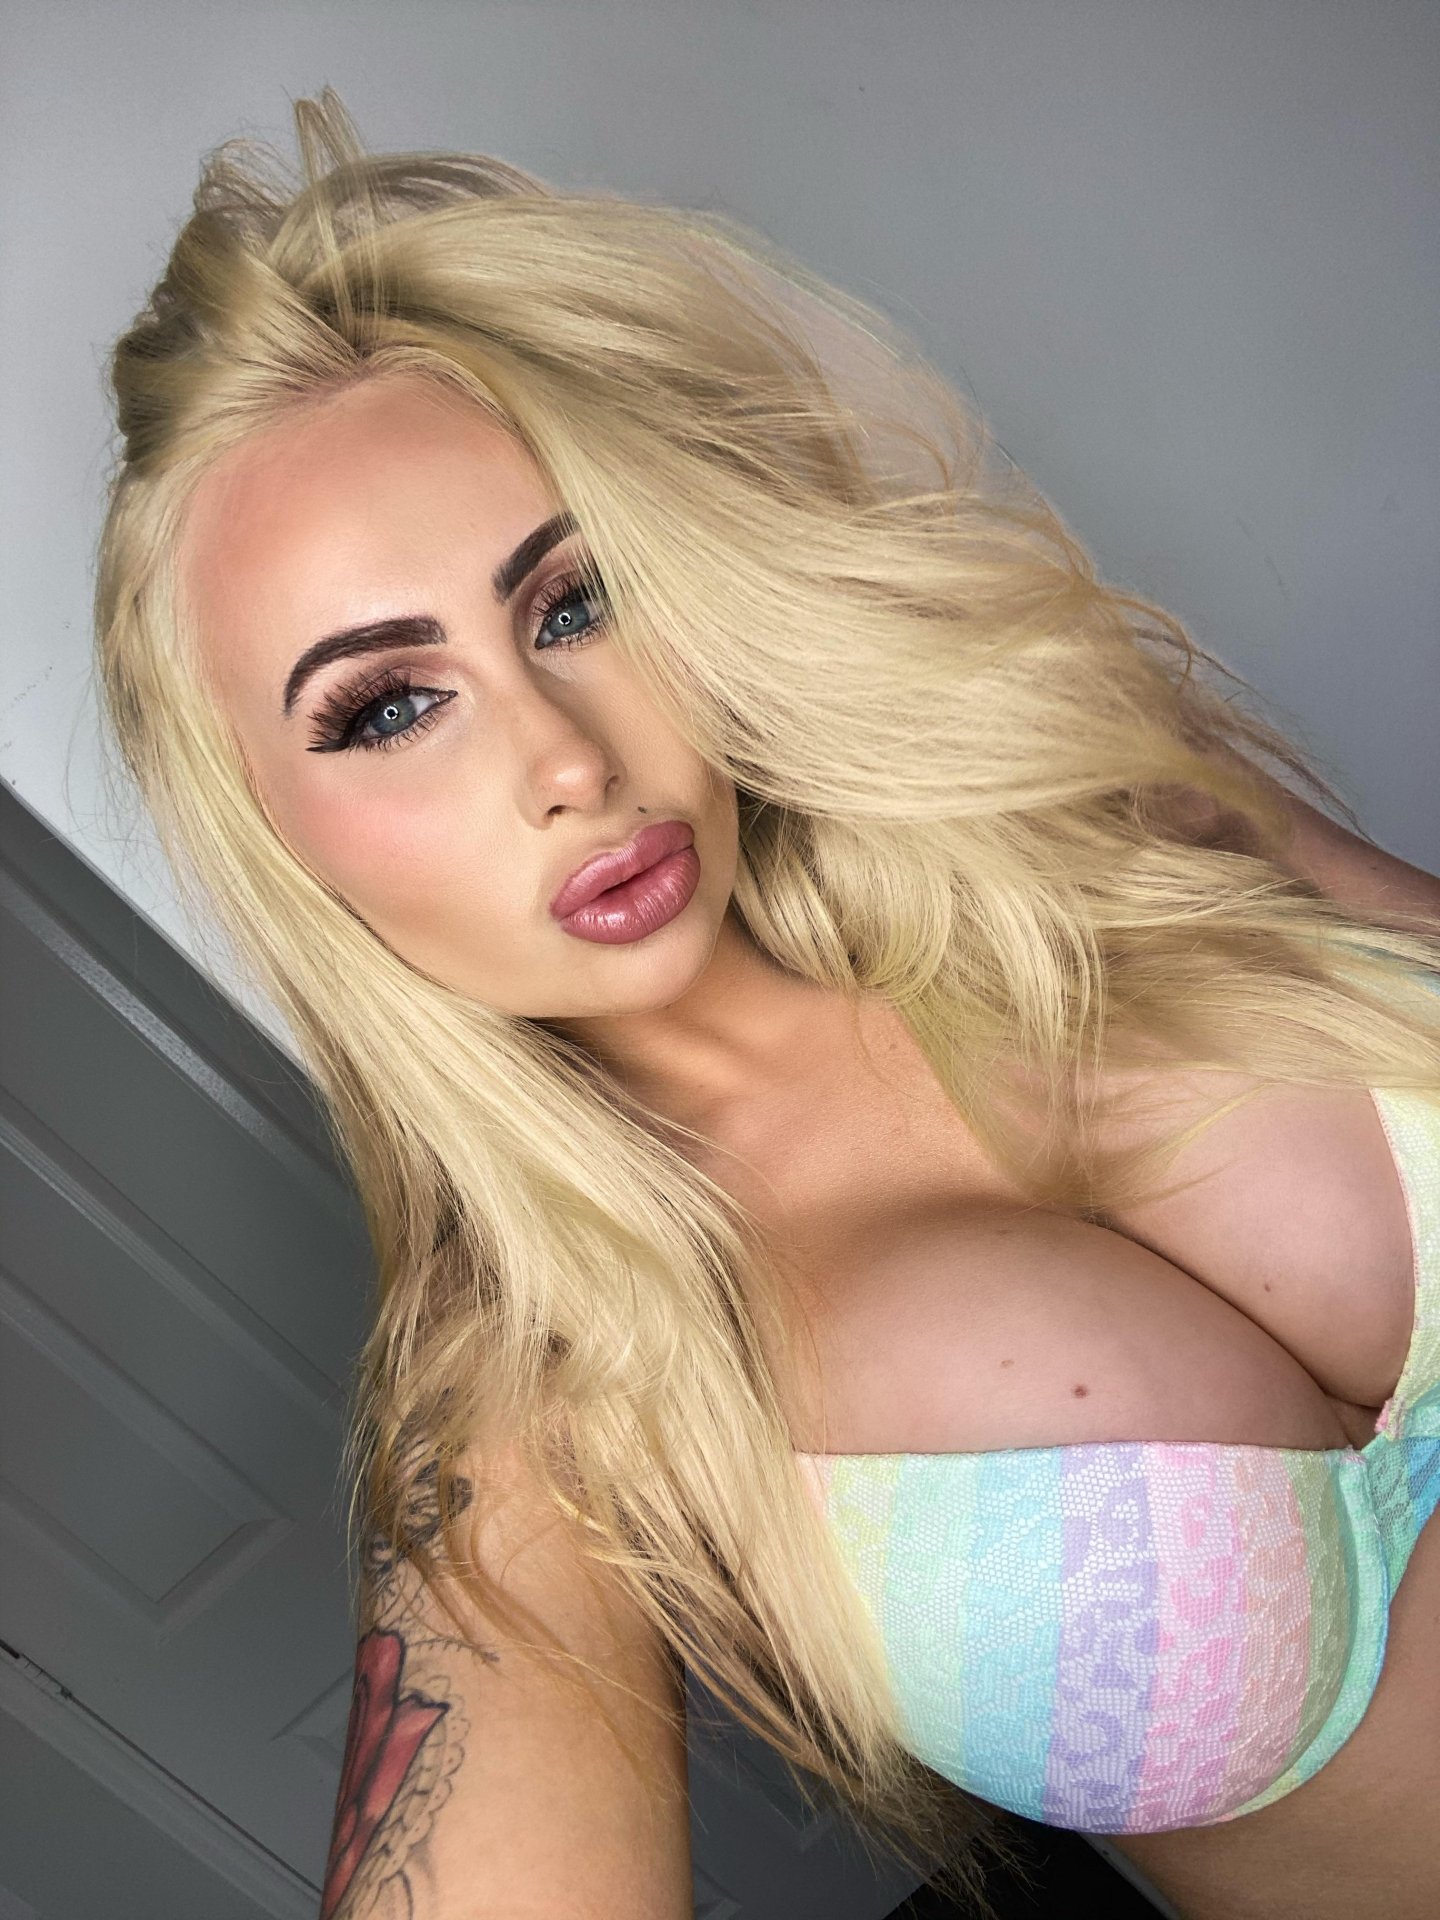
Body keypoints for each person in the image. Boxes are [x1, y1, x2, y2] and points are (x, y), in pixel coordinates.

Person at [93, 89, 1440, 1920]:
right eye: (390, 708)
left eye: (575, 600)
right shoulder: (545, 1381)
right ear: (278, 840)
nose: (567, 761)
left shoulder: (1070, 779)